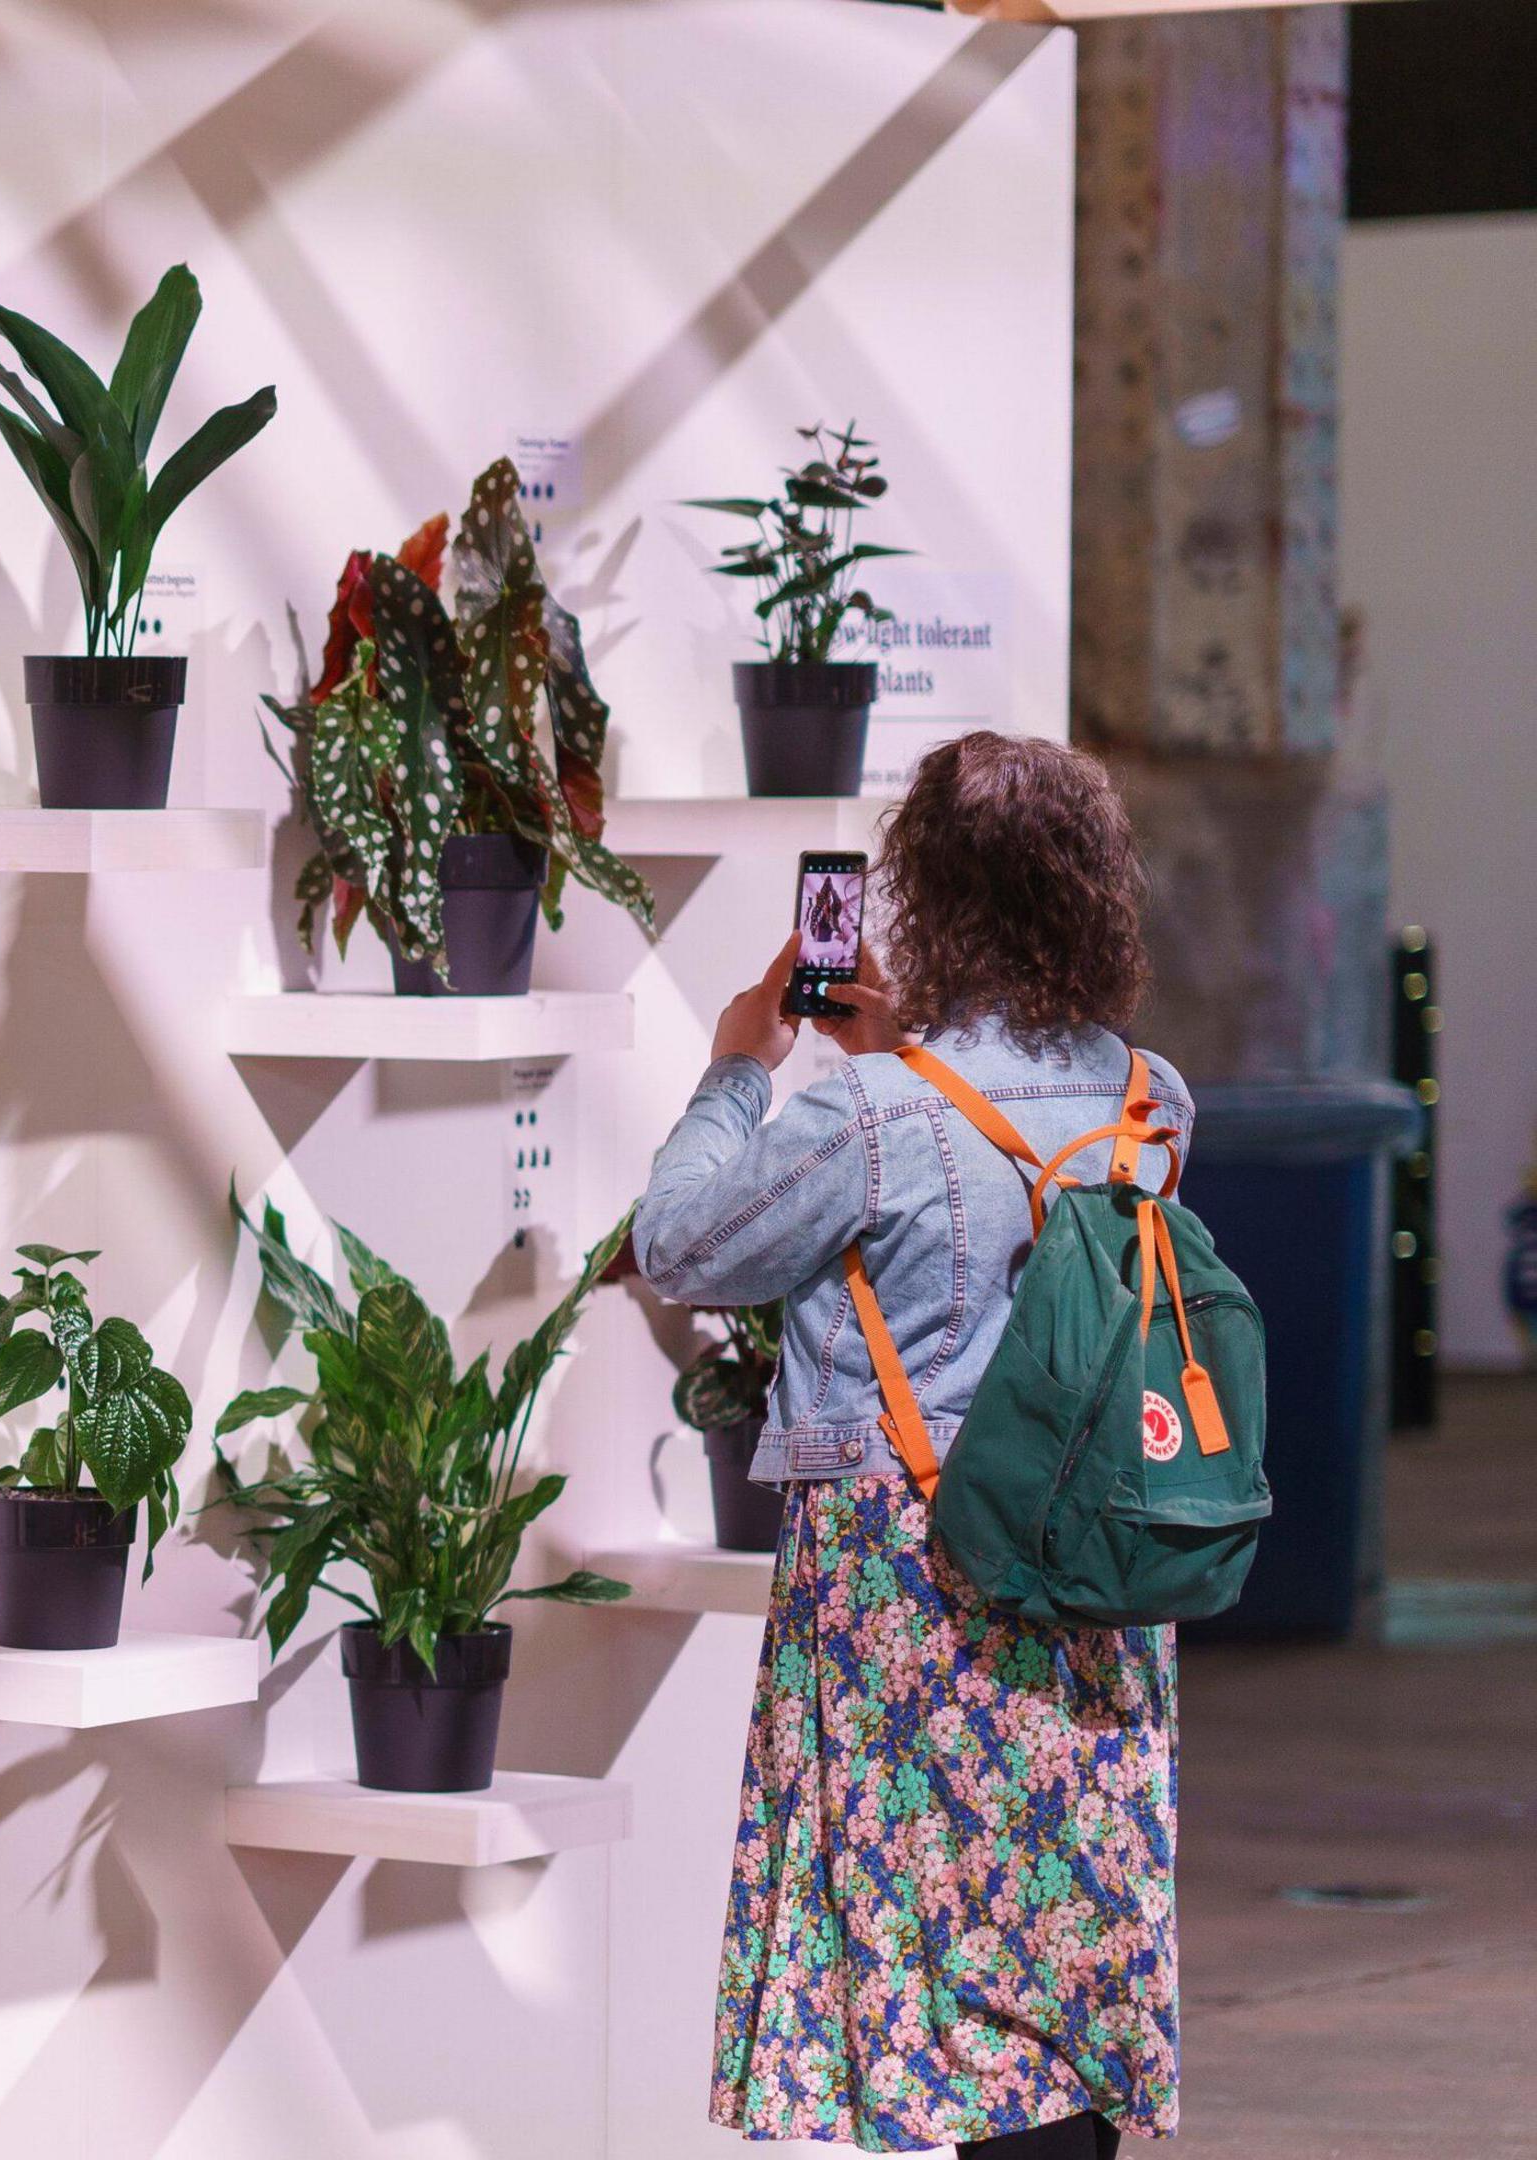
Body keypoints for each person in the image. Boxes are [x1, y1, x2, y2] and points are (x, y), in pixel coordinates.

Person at [634, 732, 1190, 2160]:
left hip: (915, 1578)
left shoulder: (867, 1116)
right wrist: (894, 1063)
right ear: (1090, 895)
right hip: (1100, 1560)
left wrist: (735, 1071)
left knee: (921, 1967)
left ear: (923, 893)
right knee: (1053, 1947)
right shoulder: (1151, 1099)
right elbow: (1018, 1221)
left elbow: (682, 1244)